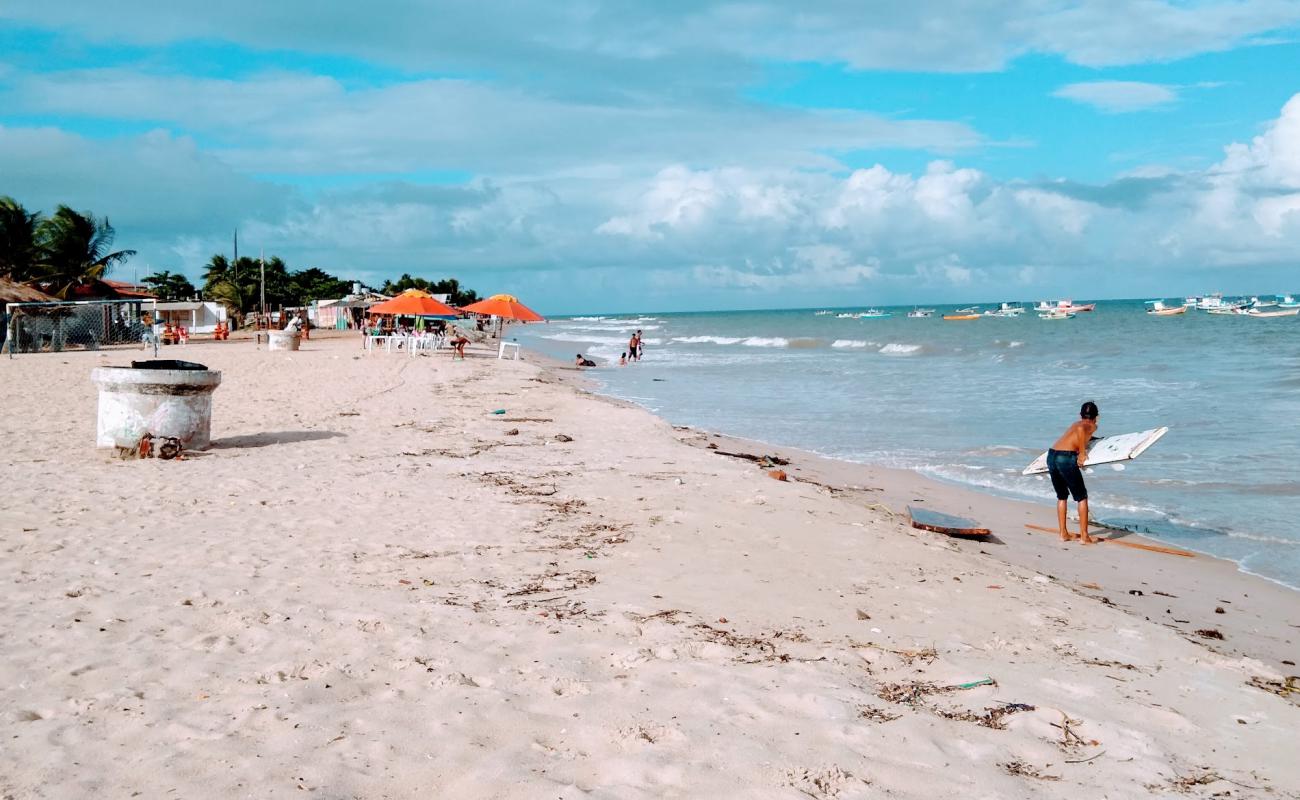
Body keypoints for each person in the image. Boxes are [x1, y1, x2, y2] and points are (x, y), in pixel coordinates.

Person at [1047, 401, 1100, 544]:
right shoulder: (1092, 425)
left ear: (1080, 415)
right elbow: (1082, 431)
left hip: (1052, 455)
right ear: (1097, 416)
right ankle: (1084, 537)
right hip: (1066, 457)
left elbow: (1078, 433)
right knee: (1082, 497)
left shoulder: (1075, 423)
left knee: (1062, 496)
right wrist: (1082, 454)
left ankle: (1063, 533)